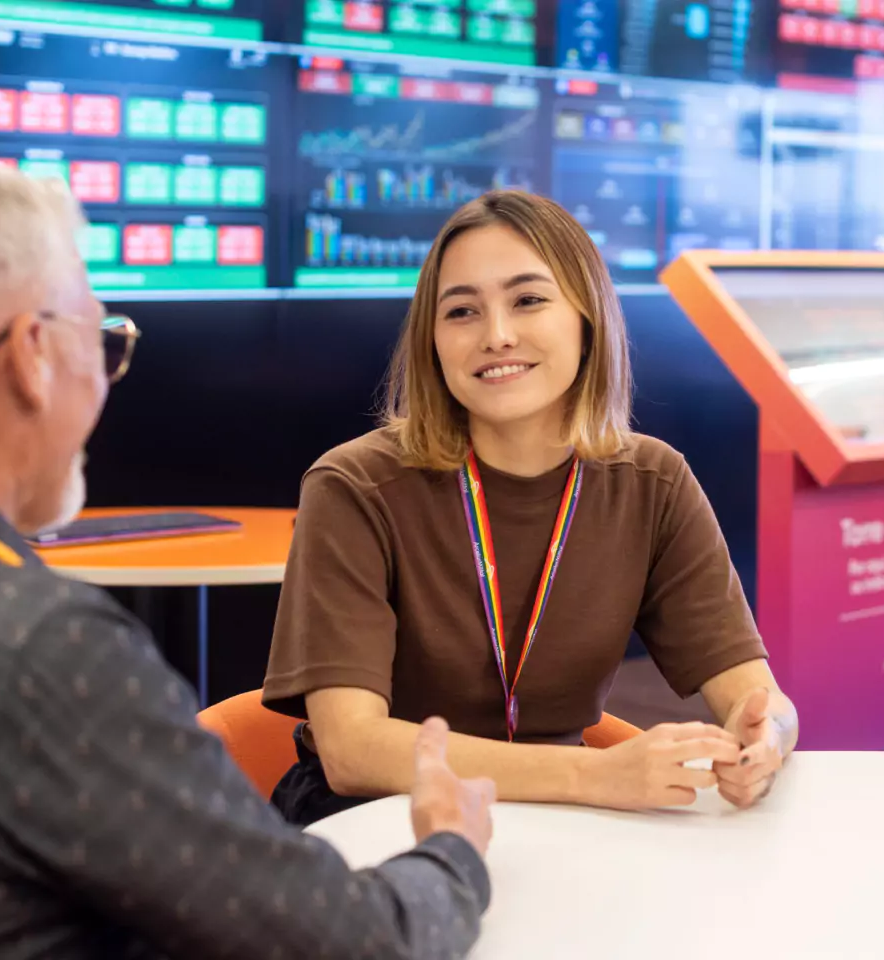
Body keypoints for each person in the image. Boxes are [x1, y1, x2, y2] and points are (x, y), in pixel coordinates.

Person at [0, 151, 496, 959]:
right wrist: (451, 849)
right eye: (104, 340)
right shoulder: (44, 651)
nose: (107, 375)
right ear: (32, 356)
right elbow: (351, 944)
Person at [264, 190, 798, 825]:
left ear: (586, 318)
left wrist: (763, 737)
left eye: (528, 300)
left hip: (560, 815)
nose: (496, 335)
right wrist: (595, 773)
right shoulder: (355, 486)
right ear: (432, 341)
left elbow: (758, 694)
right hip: (376, 818)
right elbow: (352, 749)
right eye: (461, 311)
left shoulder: (652, 480)